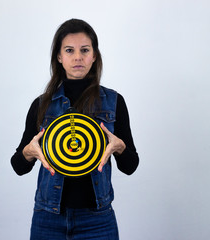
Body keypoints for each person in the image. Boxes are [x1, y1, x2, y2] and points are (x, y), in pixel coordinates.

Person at [11, 19, 139, 240]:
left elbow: (130, 166)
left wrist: (119, 148)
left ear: (94, 55)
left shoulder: (114, 102)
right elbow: (18, 166)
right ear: (59, 57)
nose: (78, 57)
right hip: (48, 219)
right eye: (69, 50)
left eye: (85, 50)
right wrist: (27, 153)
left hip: (98, 221)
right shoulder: (41, 105)